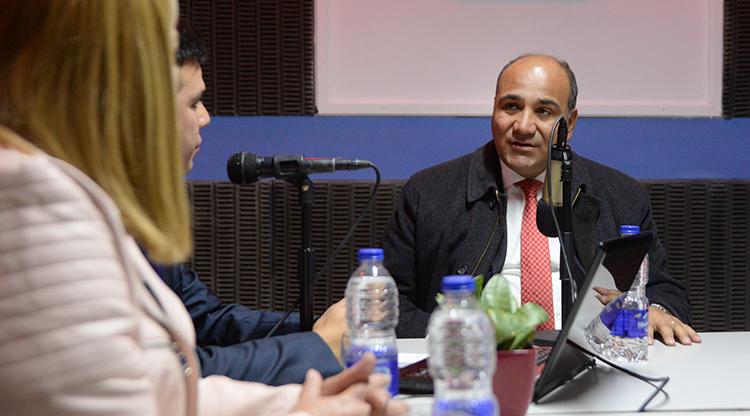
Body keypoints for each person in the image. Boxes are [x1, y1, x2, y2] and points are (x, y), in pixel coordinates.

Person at [0, 1, 406, 415]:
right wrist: (311, 378)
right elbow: (146, 392)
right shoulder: (35, 199)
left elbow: (176, 372)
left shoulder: (100, 203)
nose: (207, 118)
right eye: (193, 102)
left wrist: (294, 396)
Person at [383, 54, 702, 347]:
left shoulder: (622, 195)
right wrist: (456, 335)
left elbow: (664, 291)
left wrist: (654, 310)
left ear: (570, 124)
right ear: (493, 109)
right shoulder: (429, 193)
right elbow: (387, 302)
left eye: (543, 112)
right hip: (475, 359)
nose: (523, 127)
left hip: (592, 358)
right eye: (511, 107)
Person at [163, 26, 343, 385]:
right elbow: (168, 374)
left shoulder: (141, 214)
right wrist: (317, 347)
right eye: (194, 103)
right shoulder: (91, 225)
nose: (206, 118)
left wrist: (317, 327)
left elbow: (207, 320)